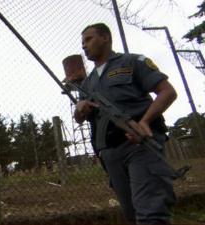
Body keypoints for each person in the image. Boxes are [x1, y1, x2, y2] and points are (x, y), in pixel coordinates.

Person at [73, 23, 177, 224]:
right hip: (110, 153)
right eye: (82, 42)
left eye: (88, 39)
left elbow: (168, 92)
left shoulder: (132, 61)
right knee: (131, 215)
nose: (84, 46)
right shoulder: (88, 82)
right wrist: (80, 109)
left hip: (140, 145)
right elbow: (79, 119)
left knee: (151, 215)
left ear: (105, 37)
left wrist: (145, 121)